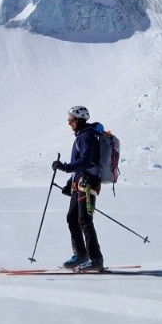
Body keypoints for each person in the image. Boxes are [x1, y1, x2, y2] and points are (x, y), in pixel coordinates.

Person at [53, 105, 104, 271]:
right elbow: (81, 164)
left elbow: (87, 161)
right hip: (79, 183)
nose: (69, 123)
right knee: (72, 218)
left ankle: (96, 260)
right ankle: (82, 255)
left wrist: (65, 167)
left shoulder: (87, 136)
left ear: (79, 119)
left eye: (71, 120)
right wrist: (70, 183)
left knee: (84, 220)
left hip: (88, 183)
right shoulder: (82, 136)